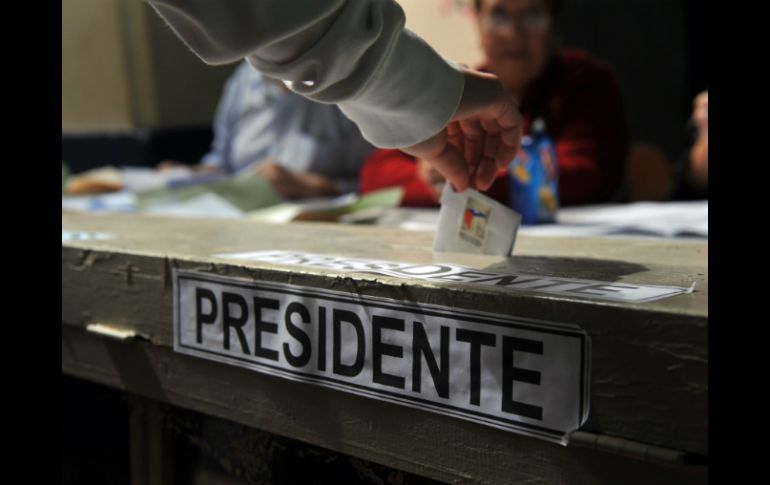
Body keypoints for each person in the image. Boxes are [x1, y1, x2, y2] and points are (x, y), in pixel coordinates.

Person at [146, 0, 523, 193]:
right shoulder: (241, 85)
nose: (515, 33)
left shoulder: (340, 99)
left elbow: (372, 179)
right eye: (501, 16)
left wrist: (425, 93)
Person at [359, 0, 629, 207]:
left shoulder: (586, 81)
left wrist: (455, 177)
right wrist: (450, 172)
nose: (514, 34)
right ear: (478, 22)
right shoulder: (465, 86)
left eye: (533, 16)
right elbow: (375, 175)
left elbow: (584, 176)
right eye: (499, 15)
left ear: (554, 26)